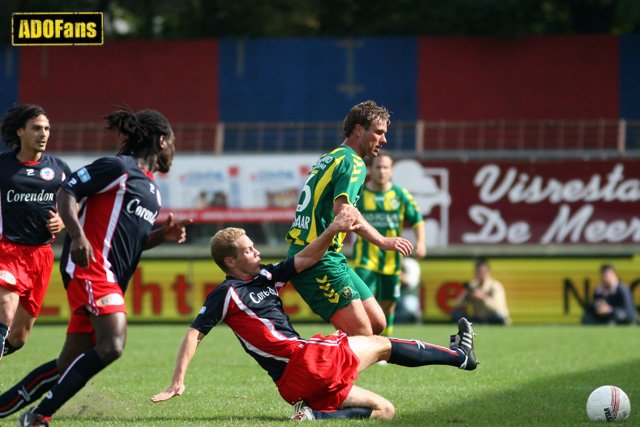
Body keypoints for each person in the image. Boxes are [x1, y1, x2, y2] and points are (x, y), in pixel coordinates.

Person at [151, 205, 478, 421]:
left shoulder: (266, 276)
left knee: (385, 410)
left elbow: (304, 260)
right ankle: (460, 357)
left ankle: (316, 415)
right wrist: (177, 381)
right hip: (304, 361)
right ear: (230, 263)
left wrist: (332, 231)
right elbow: (195, 331)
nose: (257, 251)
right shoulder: (227, 293)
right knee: (381, 344)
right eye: (249, 250)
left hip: (294, 386)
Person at [1, 106, 192, 427]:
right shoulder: (117, 167)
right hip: (92, 270)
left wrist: (163, 235)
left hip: (110, 279)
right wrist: (77, 236)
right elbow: (67, 191)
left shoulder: (152, 192)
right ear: (161, 141)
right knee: (113, 345)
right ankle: (37, 416)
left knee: (66, 363)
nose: (174, 149)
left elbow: (137, 241)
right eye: (173, 142)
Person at [285, 100, 413, 337]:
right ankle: (312, 366)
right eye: (378, 132)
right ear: (358, 130)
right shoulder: (354, 162)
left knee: (376, 324)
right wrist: (383, 241)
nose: (384, 140)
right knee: (363, 334)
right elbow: (344, 212)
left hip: (326, 253)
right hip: (315, 258)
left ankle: (325, 359)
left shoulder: (331, 156)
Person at [0, 104, 71, 359]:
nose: (43, 134)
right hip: (8, 250)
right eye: (37, 128)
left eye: (47, 129)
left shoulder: (59, 169)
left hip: (41, 255)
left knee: (18, 337)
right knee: (6, 311)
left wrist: (62, 219)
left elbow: (74, 203)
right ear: (20, 131)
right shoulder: (4, 167)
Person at [352, 152, 426, 336]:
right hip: (365, 259)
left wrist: (421, 243)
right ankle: (363, 342)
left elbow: (417, 220)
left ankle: (385, 346)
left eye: (385, 167)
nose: (381, 171)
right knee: (362, 303)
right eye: (377, 167)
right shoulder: (360, 194)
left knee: (388, 305)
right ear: (370, 169)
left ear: (391, 171)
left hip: (392, 262)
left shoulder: (400, 195)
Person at [451, 258, 512, 325]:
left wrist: (484, 297)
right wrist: (466, 295)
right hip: (478, 319)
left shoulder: (495, 286)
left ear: (489, 272)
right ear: (475, 272)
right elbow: (457, 304)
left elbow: (498, 308)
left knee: (499, 316)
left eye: (483, 272)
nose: (481, 274)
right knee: (456, 313)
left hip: (493, 318)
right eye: (478, 272)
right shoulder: (473, 285)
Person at [394, 257, 423, 325]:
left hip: (406, 295)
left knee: (409, 308)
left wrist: (396, 273)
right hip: (391, 295)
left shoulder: (410, 263)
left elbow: (409, 283)